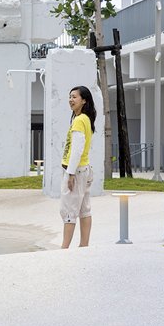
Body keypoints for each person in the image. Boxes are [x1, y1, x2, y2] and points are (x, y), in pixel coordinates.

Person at [60, 85, 96, 249]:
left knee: (69, 211)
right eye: (70, 96)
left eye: (74, 97)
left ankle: (64, 247)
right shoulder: (86, 119)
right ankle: (84, 246)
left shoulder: (80, 120)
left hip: (77, 170)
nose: (71, 100)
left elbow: (77, 149)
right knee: (84, 209)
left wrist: (71, 173)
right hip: (85, 169)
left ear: (84, 100)